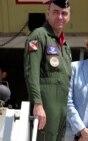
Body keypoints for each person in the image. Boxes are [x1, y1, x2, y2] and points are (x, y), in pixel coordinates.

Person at [23, 0, 71, 140]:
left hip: (62, 112)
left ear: (69, 16)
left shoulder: (65, 46)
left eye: (64, 13)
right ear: (47, 13)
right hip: (45, 111)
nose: (60, 17)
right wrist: (37, 104)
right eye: (55, 12)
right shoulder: (39, 35)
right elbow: (31, 72)